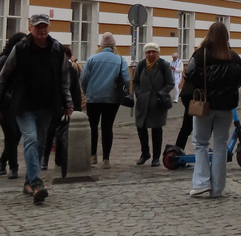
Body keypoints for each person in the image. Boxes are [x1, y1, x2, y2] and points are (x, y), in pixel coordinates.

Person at [0, 12, 73, 204]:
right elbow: (3, 77)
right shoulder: (21, 49)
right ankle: (36, 183)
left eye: (44, 27)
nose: (41, 30)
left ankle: (28, 184)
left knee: (40, 144)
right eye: (37, 27)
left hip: (47, 105)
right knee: (31, 139)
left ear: (48, 28)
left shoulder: (57, 50)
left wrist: (68, 103)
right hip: (23, 105)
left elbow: (64, 80)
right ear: (30, 28)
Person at [184, 22, 241, 198]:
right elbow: (240, 79)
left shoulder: (201, 55)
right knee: (220, 146)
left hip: (205, 105)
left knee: (201, 143)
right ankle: (218, 188)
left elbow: (189, 75)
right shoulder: (233, 57)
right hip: (226, 107)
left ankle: (202, 182)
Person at [79, 32, 129, 167]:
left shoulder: (92, 59)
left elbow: (84, 78)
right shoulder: (120, 60)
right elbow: (127, 79)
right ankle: (106, 158)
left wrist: (86, 90)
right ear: (113, 46)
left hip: (93, 97)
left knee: (93, 126)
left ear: (101, 45)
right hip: (112, 98)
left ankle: (93, 155)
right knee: (107, 127)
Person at [132, 43, 174, 167]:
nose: (151, 54)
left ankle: (156, 157)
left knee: (157, 130)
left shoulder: (163, 65)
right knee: (141, 128)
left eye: (153, 52)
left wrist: (161, 93)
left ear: (157, 53)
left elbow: (170, 83)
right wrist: (139, 94)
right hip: (142, 103)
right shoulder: (141, 65)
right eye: (148, 52)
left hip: (157, 103)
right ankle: (145, 153)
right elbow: (135, 82)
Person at [0, 32, 26, 178]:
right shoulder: (4, 59)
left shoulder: (22, 59)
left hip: (16, 103)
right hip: (4, 104)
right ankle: (14, 167)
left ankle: (2, 160)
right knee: (11, 134)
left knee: (16, 134)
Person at [42, 45, 82, 170]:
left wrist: (76, 109)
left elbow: (75, 91)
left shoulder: (72, 71)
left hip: (65, 107)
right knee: (49, 134)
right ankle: (45, 159)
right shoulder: (50, 69)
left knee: (62, 135)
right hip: (52, 106)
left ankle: (59, 159)